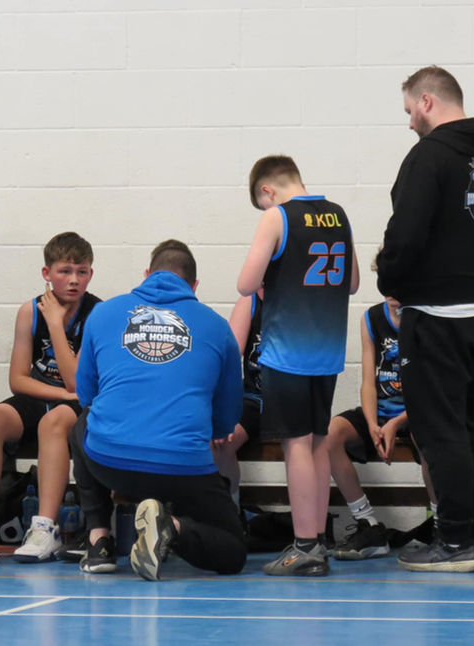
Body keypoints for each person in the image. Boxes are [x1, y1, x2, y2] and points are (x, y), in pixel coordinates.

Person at [375, 65, 474, 572]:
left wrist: (390, 280)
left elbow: (406, 233)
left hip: (436, 314)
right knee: (469, 425)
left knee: (440, 430)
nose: (409, 122)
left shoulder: (429, 156)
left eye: (410, 110)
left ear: (427, 101)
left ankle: (456, 541)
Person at [71, 240, 245, 580]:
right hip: (183, 469)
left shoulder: (103, 313)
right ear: (194, 285)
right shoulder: (216, 326)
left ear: (147, 274)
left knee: (82, 425)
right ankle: (172, 528)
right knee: (233, 551)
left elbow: (85, 394)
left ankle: (99, 539)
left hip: (109, 461)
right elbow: (227, 419)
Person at [236, 155, 359, 576]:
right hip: (328, 349)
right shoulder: (338, 214)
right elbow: (353, 283)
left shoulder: (277, 217)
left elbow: (246, 284)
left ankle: (305, 545)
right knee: (319, 441)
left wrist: (271, 274)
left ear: (267, 190)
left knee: (296, 445)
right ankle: (317, 540)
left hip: (288, 350)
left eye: (262, 202)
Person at [0, 232, 101, 562]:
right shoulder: (30, 311)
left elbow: (77, 382)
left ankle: (44, 528)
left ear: (90, 274)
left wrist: (55, 324)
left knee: (53, 422)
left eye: (81, 272)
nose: (74, 280)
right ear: (47, 273)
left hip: (79, 403)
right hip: (45, 394)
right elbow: (18, 380)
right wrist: (62, 392)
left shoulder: (97, 314)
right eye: (65, 271)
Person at [327, 296, 437, 561]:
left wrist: (395, 423)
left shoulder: (428, 317)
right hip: (380, 413)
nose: (391, 293)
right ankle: (368, 524)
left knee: (427, 437)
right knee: (330, 434)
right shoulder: (371, 318)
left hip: (418, 410)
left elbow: (431, 388)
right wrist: (372, 424)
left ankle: (440, 523)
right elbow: (368, 381)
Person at [211, 289, 263, 505]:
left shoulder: (298, 301)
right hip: (256, 397)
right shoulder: (250, 301)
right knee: (219, 441)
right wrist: (220, 411)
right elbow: (229, 359)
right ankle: (232, 511)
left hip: (290, 398)